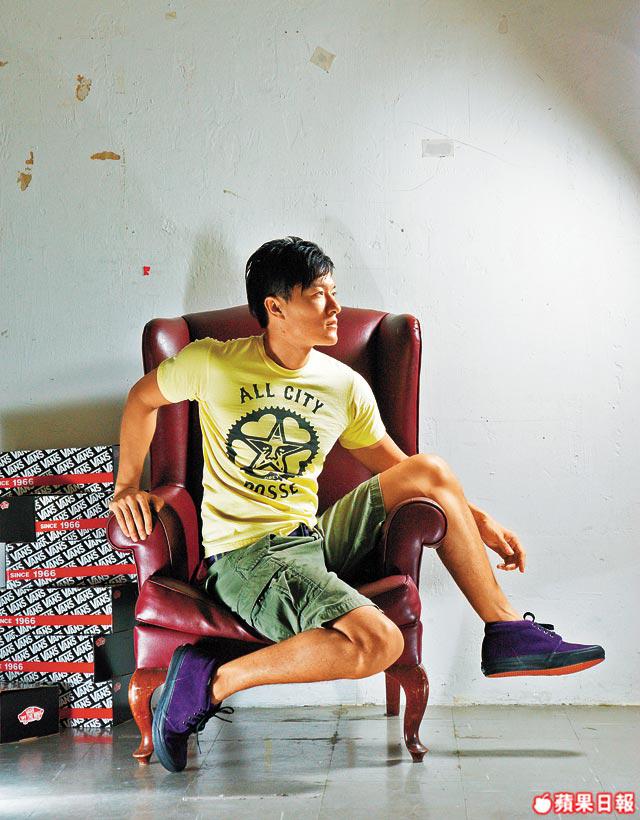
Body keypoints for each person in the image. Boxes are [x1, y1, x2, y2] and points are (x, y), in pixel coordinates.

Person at [109, 236, 605, 773]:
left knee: (429, 468)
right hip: (248, 558)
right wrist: (127, 484)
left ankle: (505, 630)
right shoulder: (213, 363)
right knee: (379, 642)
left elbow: (404, 470)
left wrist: (479, 522)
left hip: (312, 539)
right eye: (318, 295)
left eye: (334, 291)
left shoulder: (342, 385)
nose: (335, 307)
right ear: (275, 307)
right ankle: (208, 681)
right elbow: (142, 399)